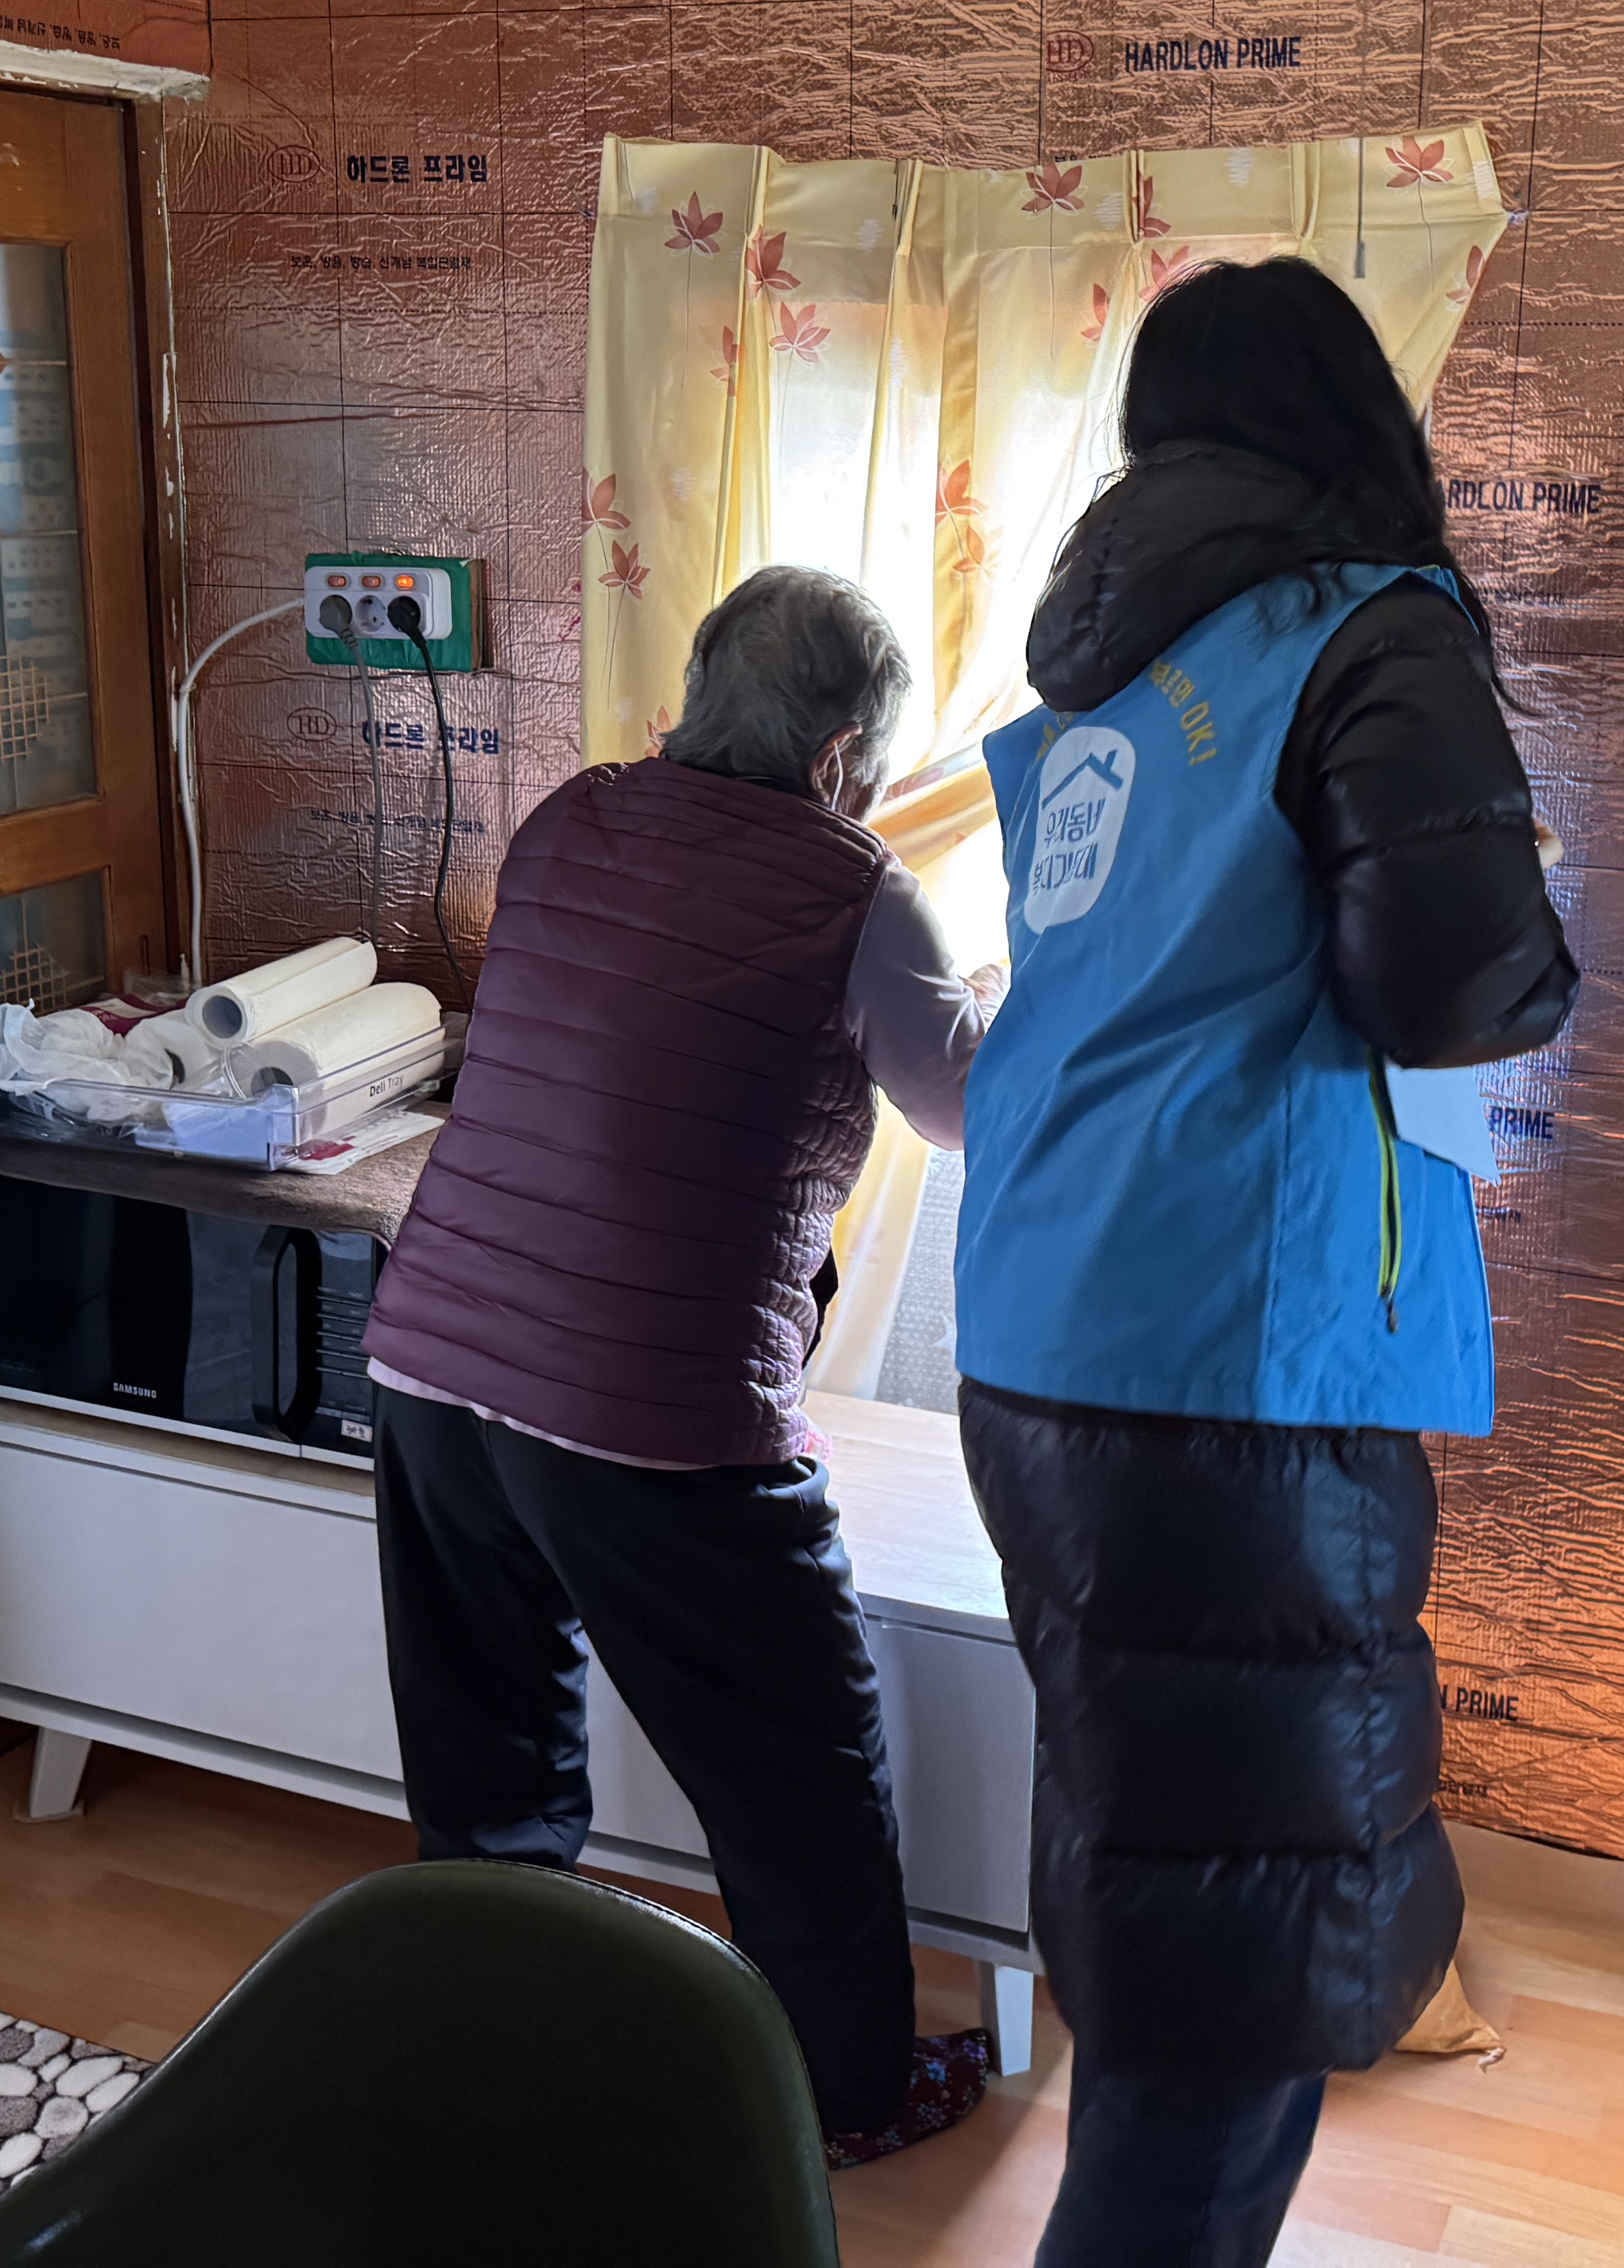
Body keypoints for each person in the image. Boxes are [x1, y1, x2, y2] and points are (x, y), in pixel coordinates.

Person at [954, 257, 1579, 2266]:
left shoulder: (1113, 662)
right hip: (1231, 1342)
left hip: (1041, 1309)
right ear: (1351, 413)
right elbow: (1456, 977)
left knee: (1160, 1872)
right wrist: (1537, 923)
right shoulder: (1367, 623)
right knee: (1239, 1981)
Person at [361, 564, 998, 2166]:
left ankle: (489, 2050)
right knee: (798, 1765)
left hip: (435, 1361)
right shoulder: (859, 890)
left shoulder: (569, 819)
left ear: (703, 696)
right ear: (843, 753)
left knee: (487, 1760)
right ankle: (847, 2098)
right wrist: (997, 996)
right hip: (651, 1407)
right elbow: (964, 1114)